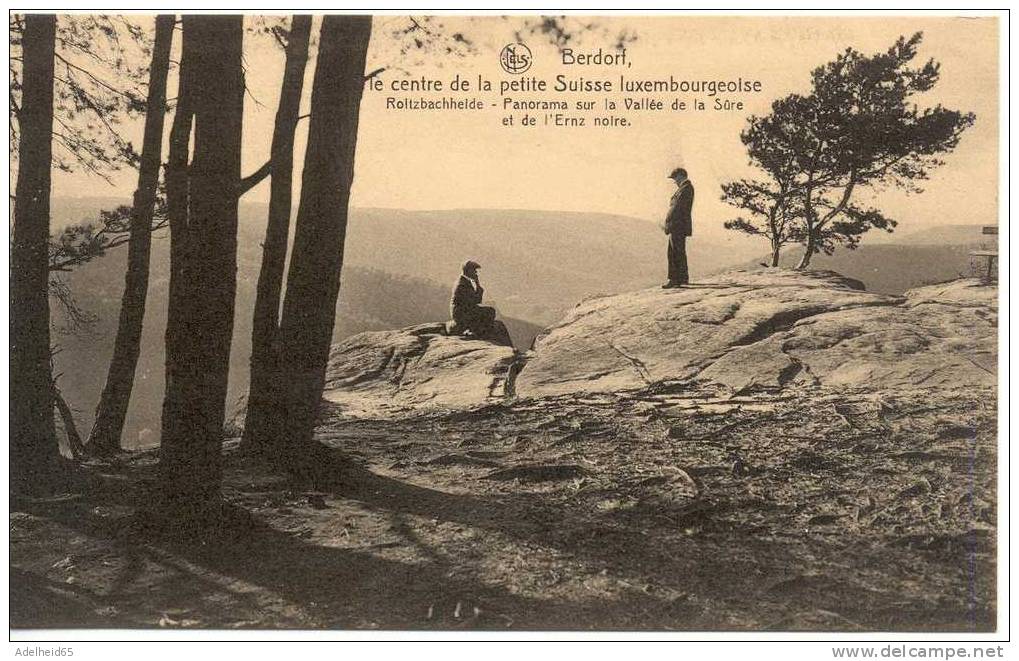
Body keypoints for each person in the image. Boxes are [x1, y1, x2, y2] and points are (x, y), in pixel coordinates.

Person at [662, 167, 694, 288]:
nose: (674, 181)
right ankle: (682, 277)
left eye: (675, 178)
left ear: (681, 176)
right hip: (678, 225)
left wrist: (668, 224)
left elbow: (676, 209)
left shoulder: (685, 188)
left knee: (674, 252)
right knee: (677, 251)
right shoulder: (685, 188)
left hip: (677, 225)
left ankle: (675, 279)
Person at [449, 260, 497, 337]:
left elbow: (474, 301)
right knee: (490, 312)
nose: (476, 273)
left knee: (487, 311)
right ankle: (476, 331)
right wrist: (478, 285)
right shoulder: (462, 284)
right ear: (468, 270)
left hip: (463, 310)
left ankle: (476, 330)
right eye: (474, 270)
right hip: (461, 313)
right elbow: (476, 301)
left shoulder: (464, 281)